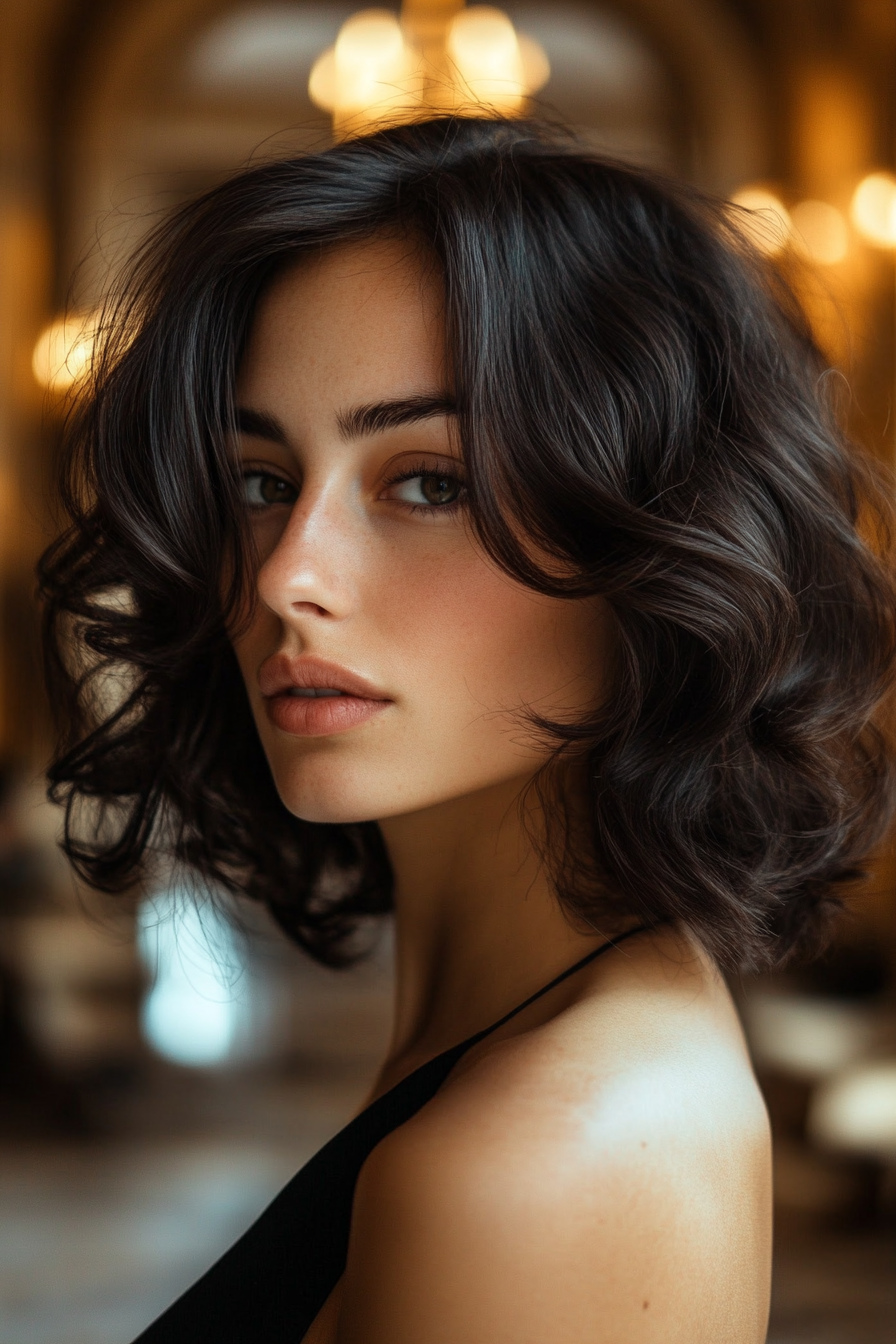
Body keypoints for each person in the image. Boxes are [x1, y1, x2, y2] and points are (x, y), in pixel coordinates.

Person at [39, 116, 896, 1343]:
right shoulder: (552, 1054)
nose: (289, 576)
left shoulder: (533, 1164)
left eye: (428, 482)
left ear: (651, 541)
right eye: (260, 483)